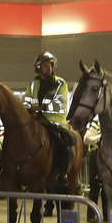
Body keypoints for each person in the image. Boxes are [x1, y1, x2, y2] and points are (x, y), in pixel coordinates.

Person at [23, 52, 73, 187]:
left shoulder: (60, 83)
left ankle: (63, 174)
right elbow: (26, 102)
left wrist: (40, 108)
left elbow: (60, 103)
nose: (49, 68)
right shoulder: (32, 85)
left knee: (65, 143)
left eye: (50, 65)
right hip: (37, 122)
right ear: (39, 68)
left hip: (55, 122)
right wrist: (29, 110)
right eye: (45, 66)